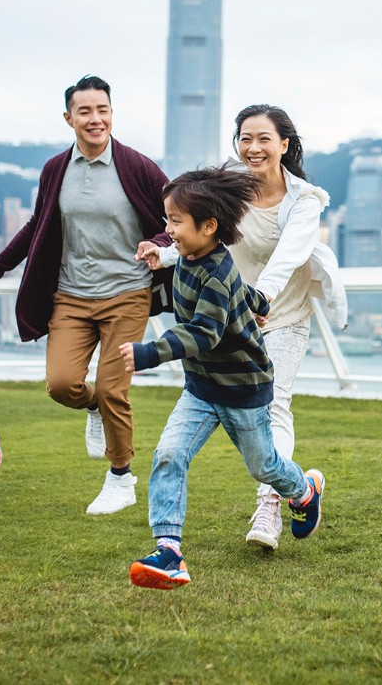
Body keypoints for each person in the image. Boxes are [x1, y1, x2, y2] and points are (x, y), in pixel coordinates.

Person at [138, 104, 346, 551]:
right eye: (245, 138)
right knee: (215, 423)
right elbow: (200, 232)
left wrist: (262, 301)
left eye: (264, 138)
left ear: (284, 145)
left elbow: (287, 256)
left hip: (281, 316)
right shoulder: (228, 188)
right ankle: (298, 487)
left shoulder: (303, 200)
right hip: (226, 316)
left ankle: (270, 505)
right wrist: (166, 254)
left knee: (276, 408)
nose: (253, 148)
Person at [0, 75, 171, 515]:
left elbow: (175, 219)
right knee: (62, 385)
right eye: (85, 111)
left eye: (102, 110)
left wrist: (158, 243)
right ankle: (93, 408)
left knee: (115, 389)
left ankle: (121, 477)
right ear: (69, 118)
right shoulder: (55, 169)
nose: (95, 119)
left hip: (127, 293)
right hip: (72, 296)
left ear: (112, 114)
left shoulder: (138, 167)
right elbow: (34, 228)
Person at [119, 166, 325, 591]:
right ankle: (169, 551)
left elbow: (203, 333)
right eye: (167, 219)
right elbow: (241, 291)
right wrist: (256, 300)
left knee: (264, 466)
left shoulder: (215, 270)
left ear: (208, 226)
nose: (168, 229)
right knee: (169, 454)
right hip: (200, 389)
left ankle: (303, 491)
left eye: (175, 221)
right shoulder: (192, 260)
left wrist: (147, 353)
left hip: (243, 390)